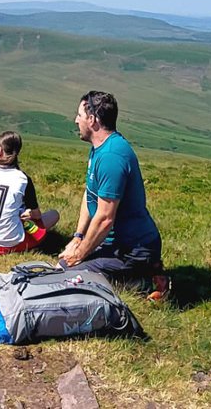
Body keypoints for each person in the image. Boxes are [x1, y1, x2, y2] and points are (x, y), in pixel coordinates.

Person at [58, 91, 169, 300]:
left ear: (92, 120)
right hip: (116, 242)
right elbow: (89, 193)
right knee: (63, 265)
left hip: (132, 248)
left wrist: (80, 254)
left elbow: (105, 218)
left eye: (79, 115)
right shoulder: (100, 147)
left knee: (68, 274)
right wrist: (77, 238)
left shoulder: (111, 156)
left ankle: (147, 281)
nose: (76, 120)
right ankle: (145, 269)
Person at [0, 131, 60, 254]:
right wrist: (28, 214)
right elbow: (36, 215)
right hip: (11, 243)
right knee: (54, 214)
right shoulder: (23, 179)